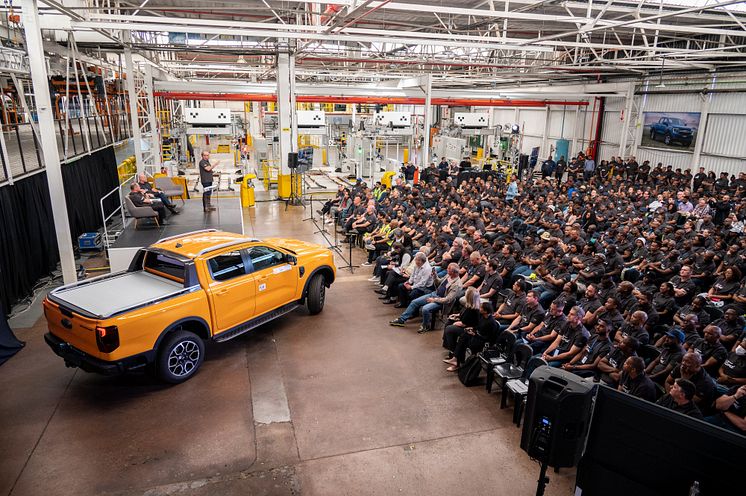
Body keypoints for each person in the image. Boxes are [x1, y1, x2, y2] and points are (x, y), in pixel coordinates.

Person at [389, 263, 461, 332]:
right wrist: (435, 276)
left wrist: (434, 300)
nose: (447, 270)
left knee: (425, 309)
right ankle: (401, 320)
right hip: (435, 294)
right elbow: (438, 283)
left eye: (449, 270)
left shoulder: (456, 284)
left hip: (441, 301)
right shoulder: (448, 275)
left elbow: (448, 300)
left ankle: (426, 326)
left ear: (454, 272)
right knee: (414, 302)